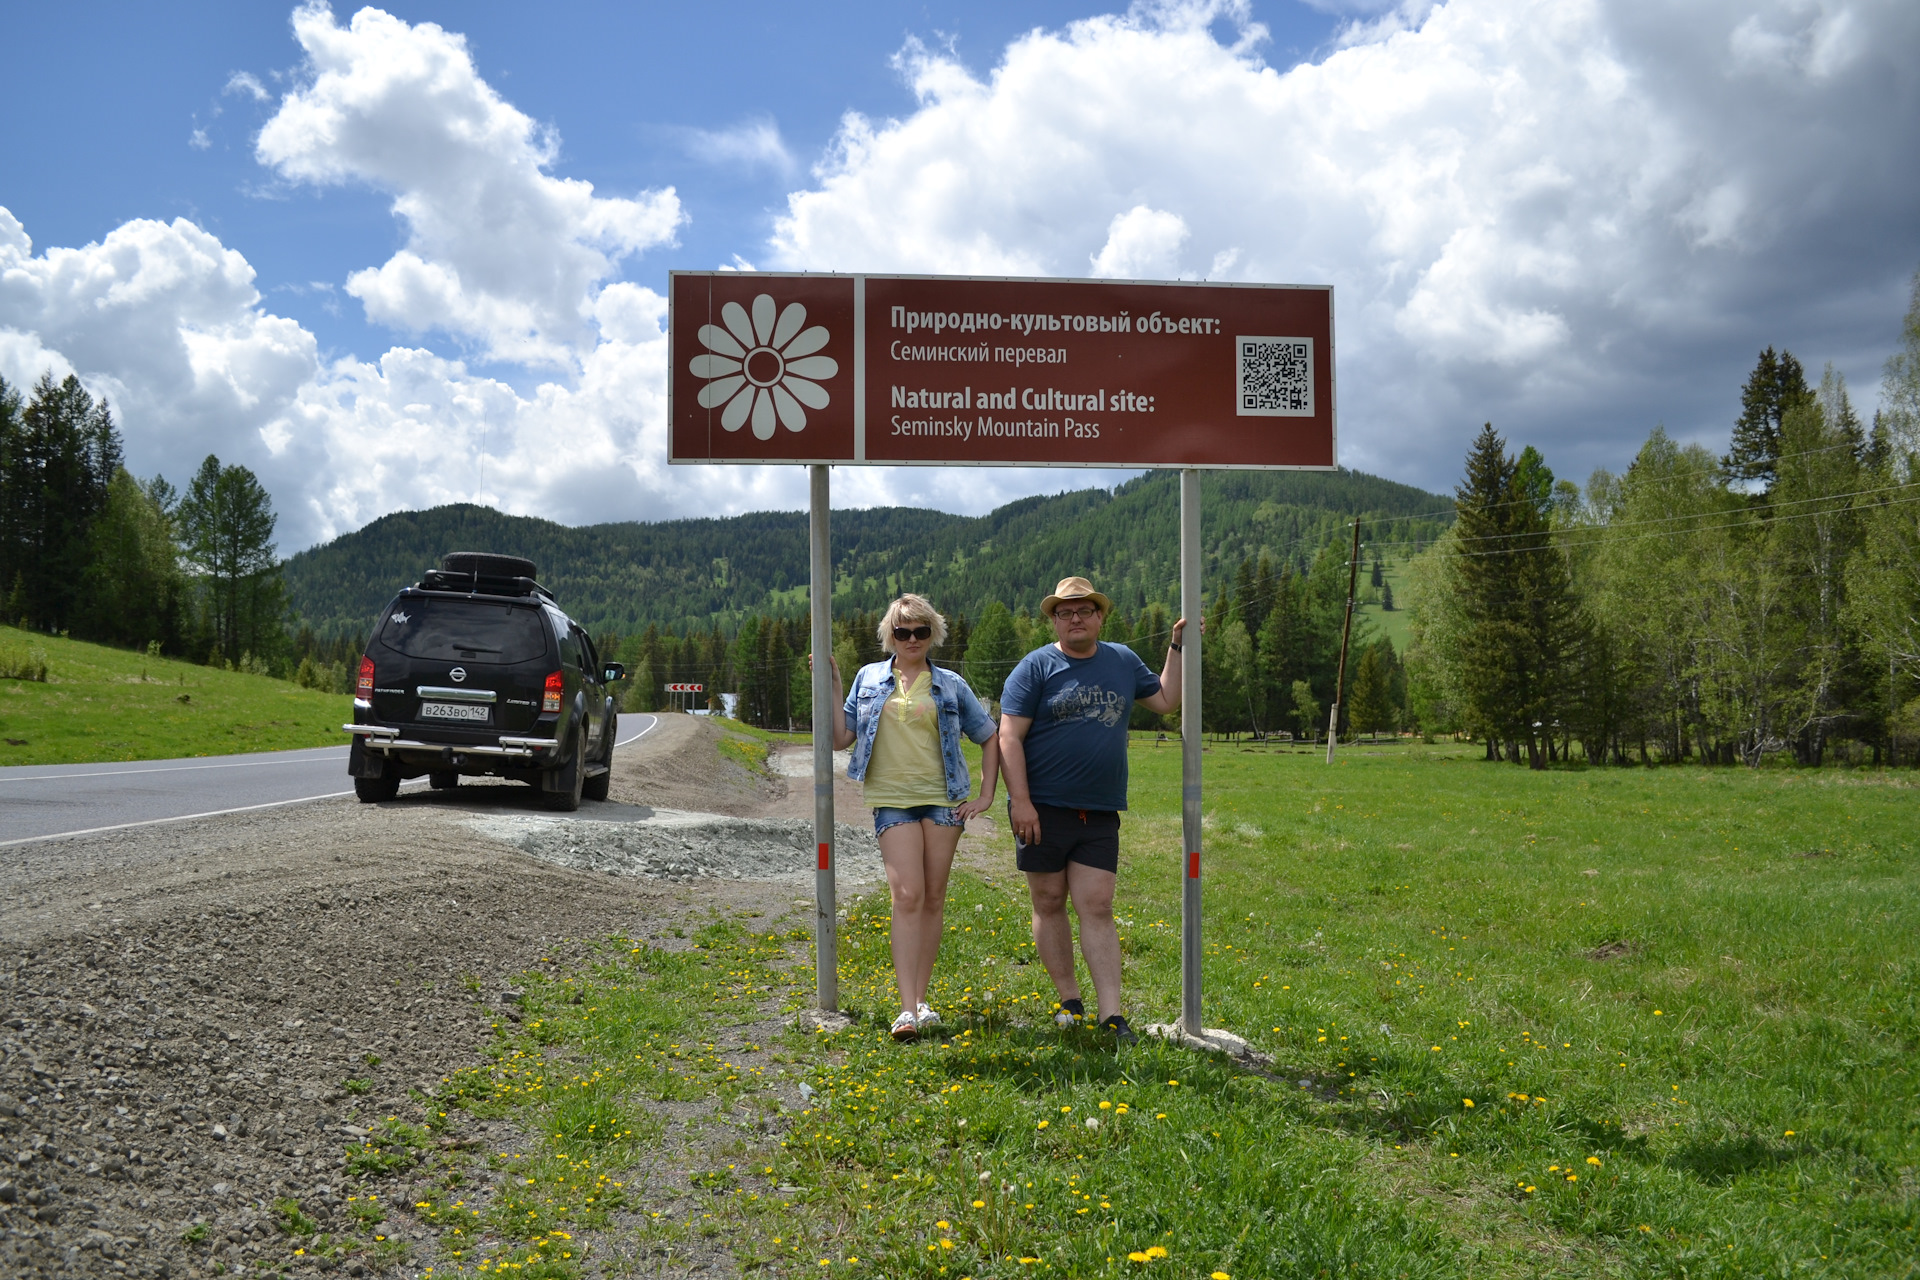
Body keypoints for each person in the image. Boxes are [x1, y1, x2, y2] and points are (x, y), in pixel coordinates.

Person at [997, 576, 1187, 1045]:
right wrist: (1020, 802)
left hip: (1099, 811)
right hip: (1041, 809)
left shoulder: (1122, 660)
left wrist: (1178, 648)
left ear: (1101, 616)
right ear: (1054, 620)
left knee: (1097, 904)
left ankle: (1112, 1015)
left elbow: (1165, 700)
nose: (1075, 618)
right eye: (1065, 612)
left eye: (1084, 610)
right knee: (1048, 901)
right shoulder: (1035, 667)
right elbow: (1008, 737)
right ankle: (1069, 1000)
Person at [823, 594, 1001, 1042]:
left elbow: (990, 737)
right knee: (907, 894)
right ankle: (905, 1011)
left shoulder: (951, 684)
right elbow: (839, 738)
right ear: (890, 635)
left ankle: (921, 1001)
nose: (912, 639)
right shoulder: (868, 678)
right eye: (903, 632)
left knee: (934, 897)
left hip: (944, 801)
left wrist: (985, 795)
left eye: (921, 631)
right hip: (893, 800)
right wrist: (831, 683)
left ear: (933, 634)